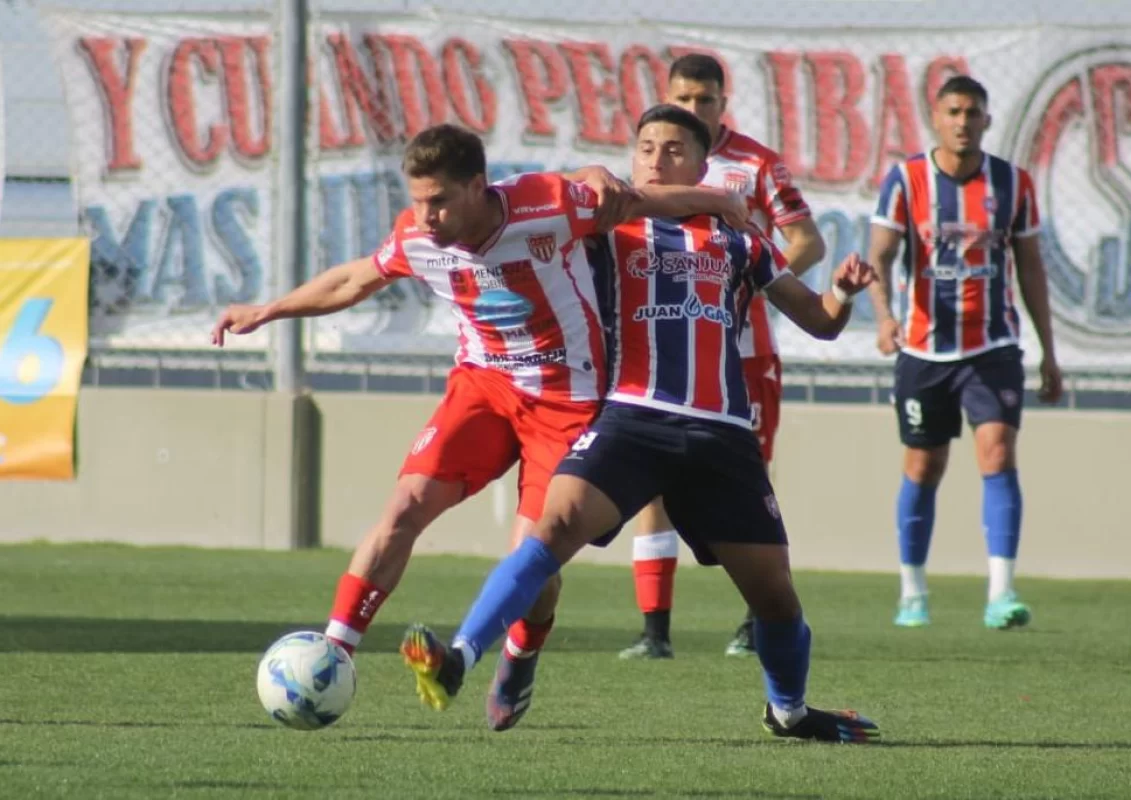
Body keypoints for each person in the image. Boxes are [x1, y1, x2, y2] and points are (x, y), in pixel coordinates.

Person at [209, 123, 748, 730]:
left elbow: (636, 200)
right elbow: (355, 278)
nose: (426, 215)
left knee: (533, 556)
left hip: (567, 399)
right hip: (484, 388)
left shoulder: (545, 206)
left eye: (439, 200)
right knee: (407, 504)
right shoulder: (417, 235)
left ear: (476, 187)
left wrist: (720, 201)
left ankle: (521, 653)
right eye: (417, 200)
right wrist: (268, 309)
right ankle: (336, 649)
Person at [399, 105, 882, 743]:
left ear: (703, 162)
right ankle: (460, 658)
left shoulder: (742, 239)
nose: (656, 158)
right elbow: (570, 186)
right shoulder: (607, 228)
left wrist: (844, 292)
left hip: (720, 434)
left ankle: (788, 711)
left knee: (775, 597)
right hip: (631, 418)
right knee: (550, 530)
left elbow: (819, 321)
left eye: (674, 148)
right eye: (646, 146)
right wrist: (602, 173)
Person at [620, 53, 827, 661]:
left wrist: (755, 278)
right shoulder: (652, 164)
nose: (692, 112)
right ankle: (654, 630)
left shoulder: (756, 165)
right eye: (682, 100)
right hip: (662, 345)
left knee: (748, 480)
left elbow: (806, 240)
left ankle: (753, 621)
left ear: (722, 104)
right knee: (651, 482)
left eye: (704, 101)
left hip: (744, 350)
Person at [865, 75, 1062, 630]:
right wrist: (883, 320)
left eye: (973, 112)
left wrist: (1049, 351)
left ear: (987, 120)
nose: (963, 122)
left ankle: (1001, 592)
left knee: (997, 451)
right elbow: (879, 256)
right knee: (924, 464)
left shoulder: (1013, 183)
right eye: (953, 111)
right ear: (936, 117)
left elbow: (1030, 267)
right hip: (924, 350)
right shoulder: (905, 179)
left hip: (992, 346)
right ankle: (913, 591)